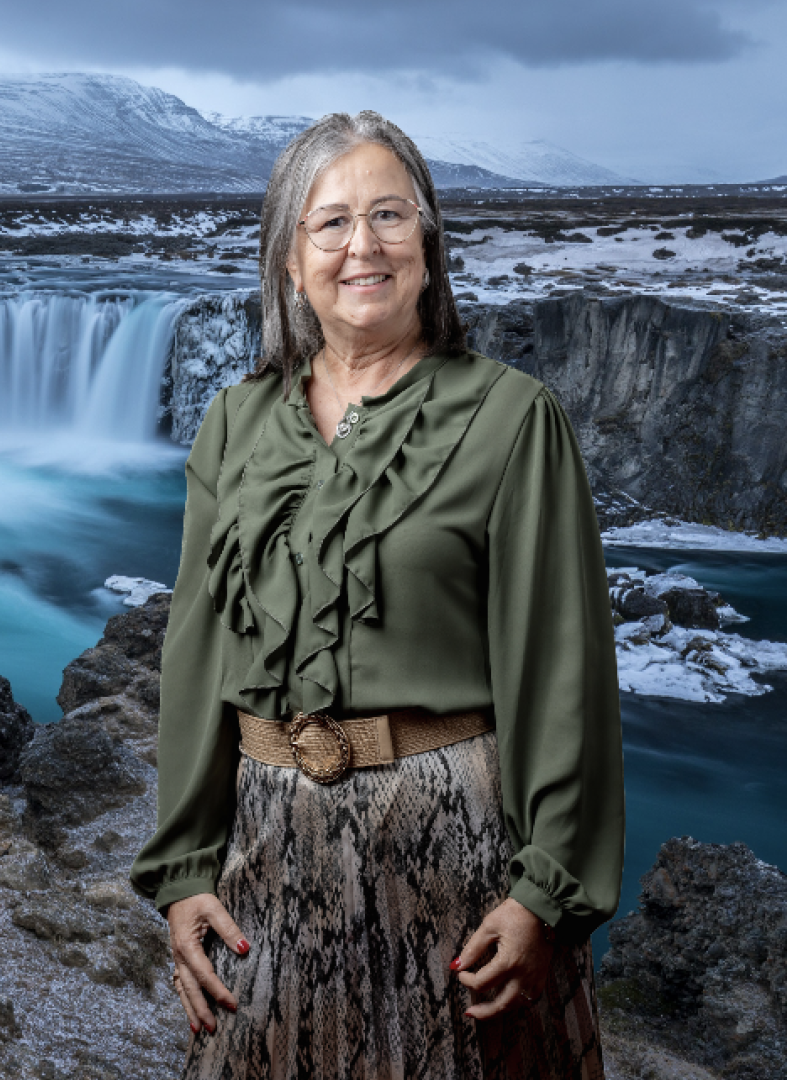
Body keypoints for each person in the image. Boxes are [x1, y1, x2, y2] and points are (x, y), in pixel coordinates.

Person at [129, 110, 624, 1078]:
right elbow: (196, 655)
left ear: (429, 247)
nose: (365, 245)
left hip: (454, 842)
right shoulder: (235, 421)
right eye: (331, 223)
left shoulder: (512, 417)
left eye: (392, 216)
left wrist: (543, 893)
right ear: (288, 260)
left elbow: (559, 668)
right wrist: (185, 869)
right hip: (263, 847)